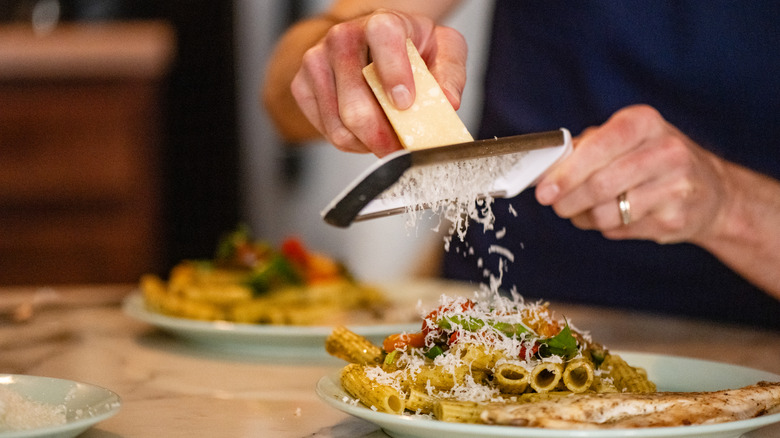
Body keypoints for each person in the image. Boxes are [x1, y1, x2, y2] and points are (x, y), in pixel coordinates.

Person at [262, 1, 780, 329]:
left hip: (743, 359)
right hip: (489, 317)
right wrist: (346, 58)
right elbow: (281, 94)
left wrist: (729, 207)